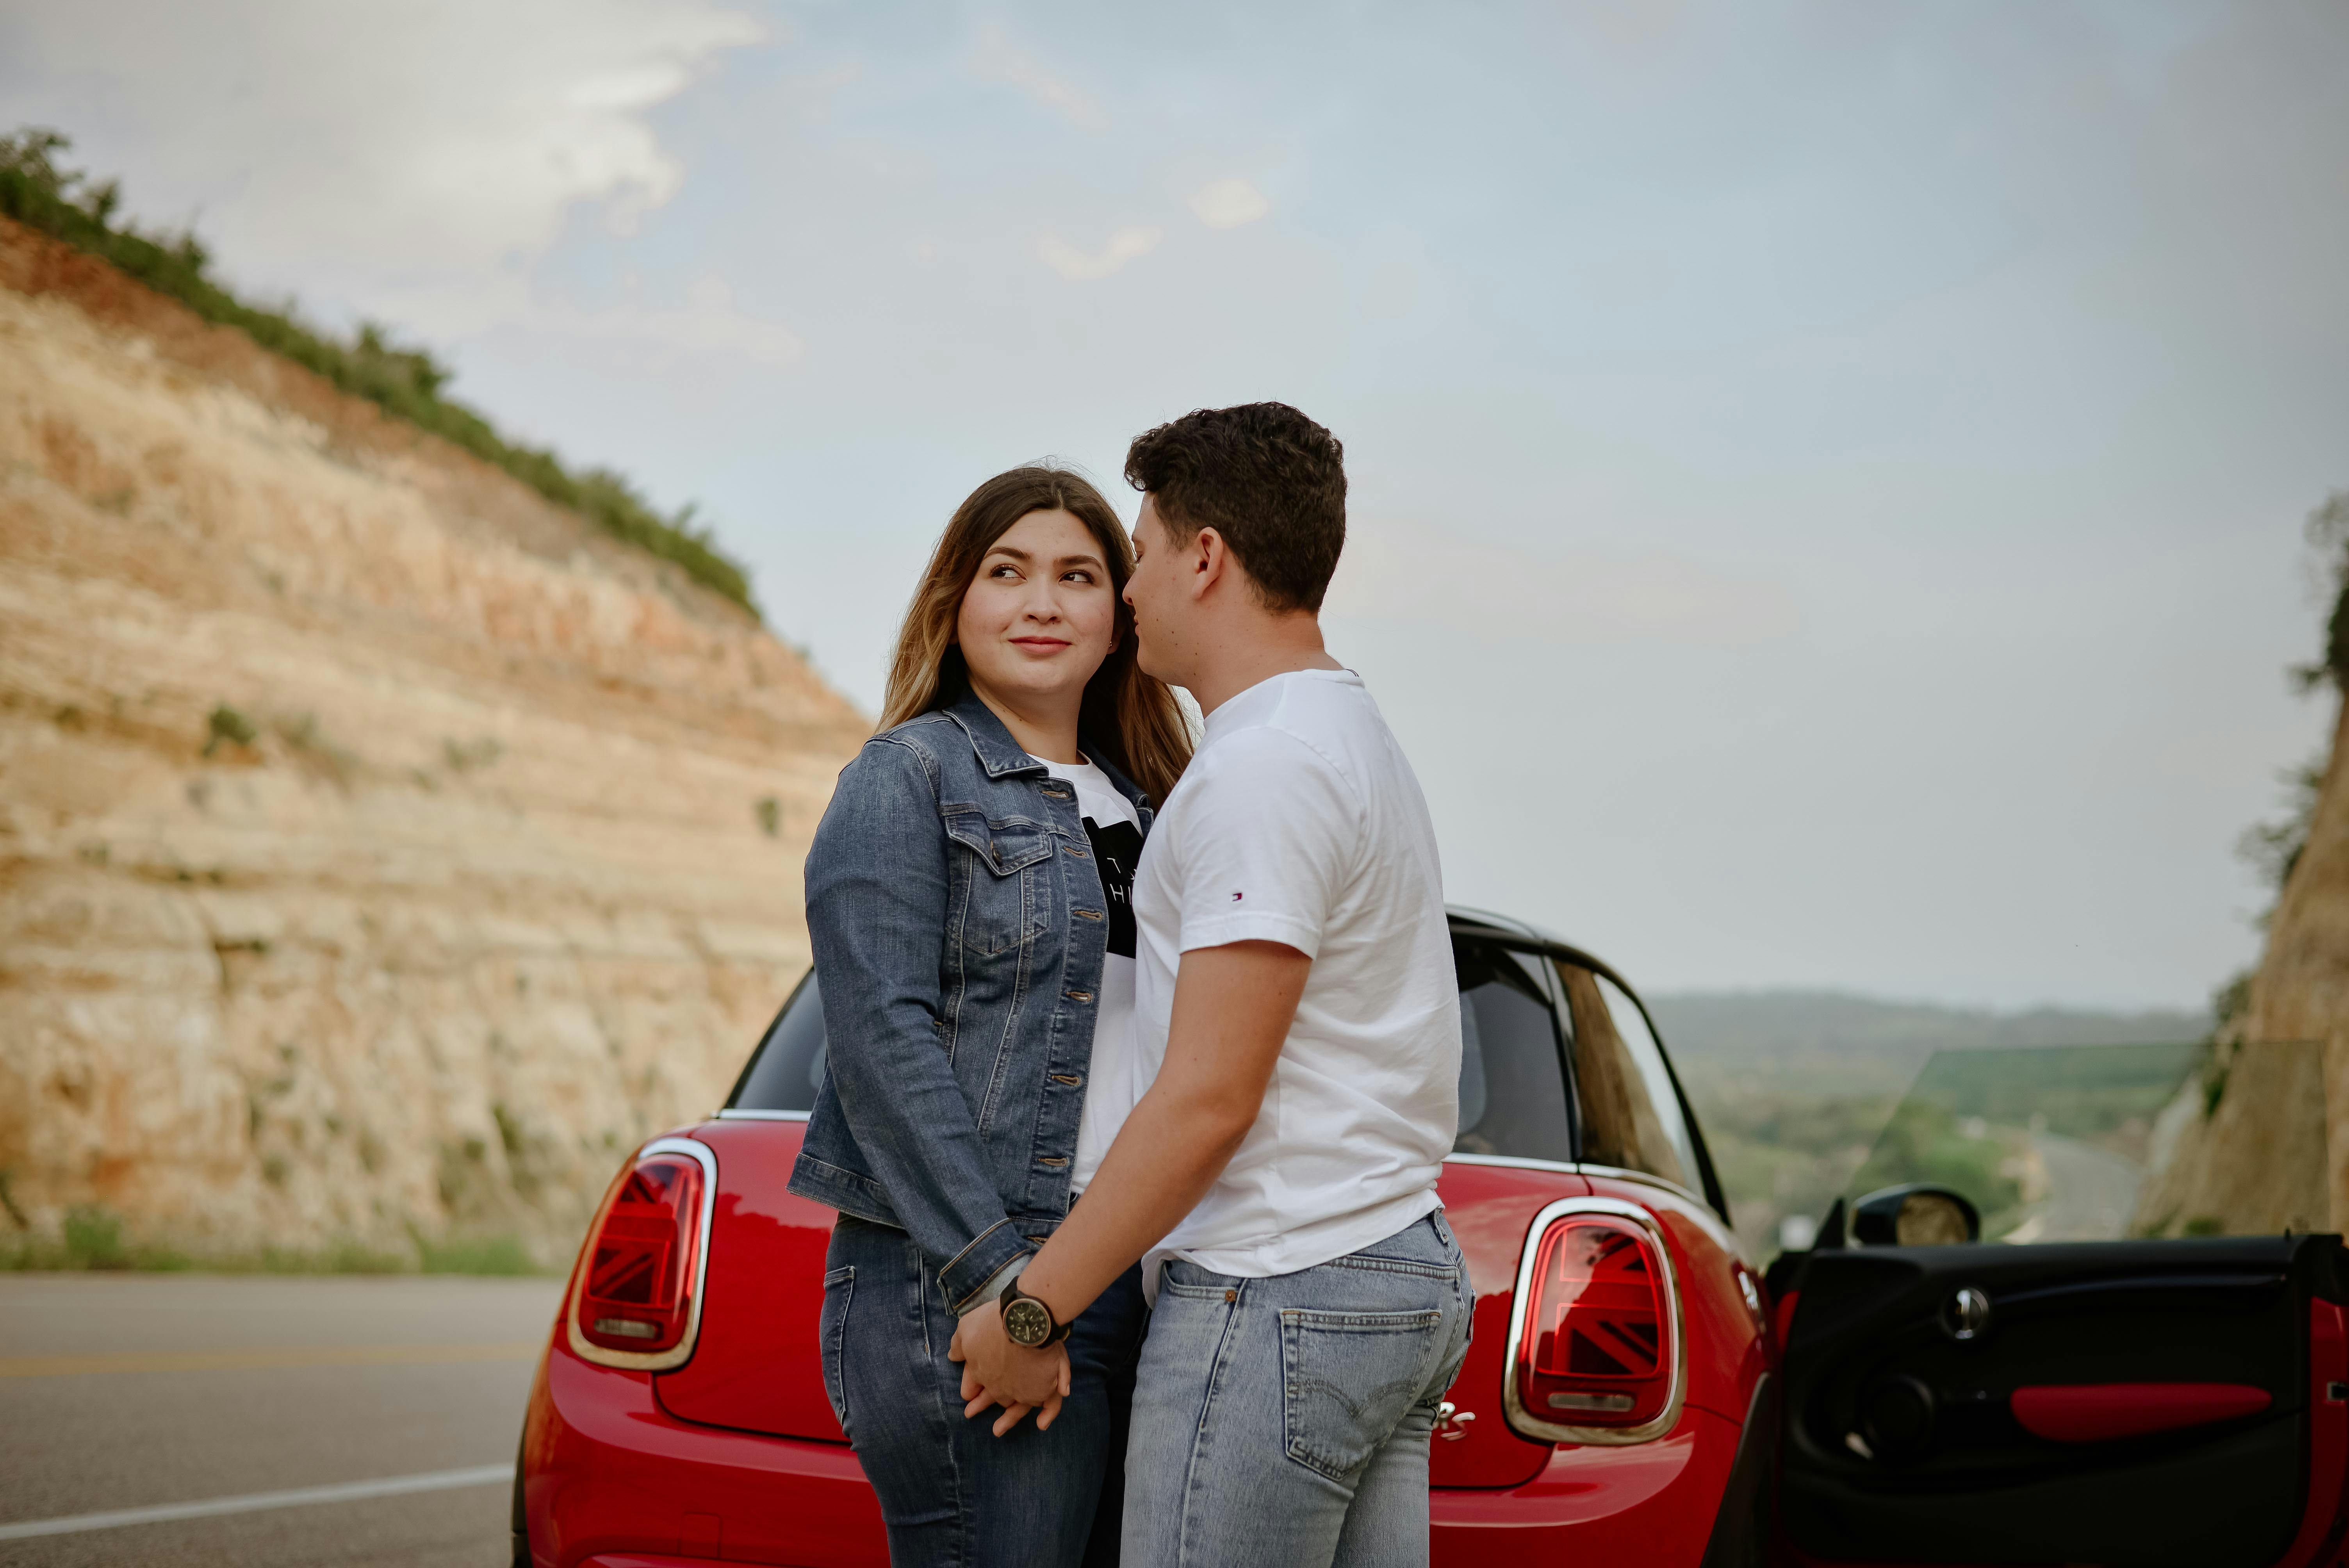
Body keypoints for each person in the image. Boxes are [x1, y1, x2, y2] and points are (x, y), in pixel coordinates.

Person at [955, 404, 1473, 1568]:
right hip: (1387, 1267)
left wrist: (1034, 1308)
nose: (1128, 590)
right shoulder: (1348, 731)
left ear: (1205, 557)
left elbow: (1209, 1097)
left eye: (1138, 552)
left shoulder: (1264, 770)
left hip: (1278, 1288)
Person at [787, 465, 1193, 1567]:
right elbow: (881, 1044)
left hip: (1138, 1280)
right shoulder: (906, 778)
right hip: (966, 1281)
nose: (1042, 604)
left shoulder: (1165, 804)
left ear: (1123, 612)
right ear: (955, 602)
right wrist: (1004, 1291)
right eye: (1006, 572)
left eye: (1078, 576)